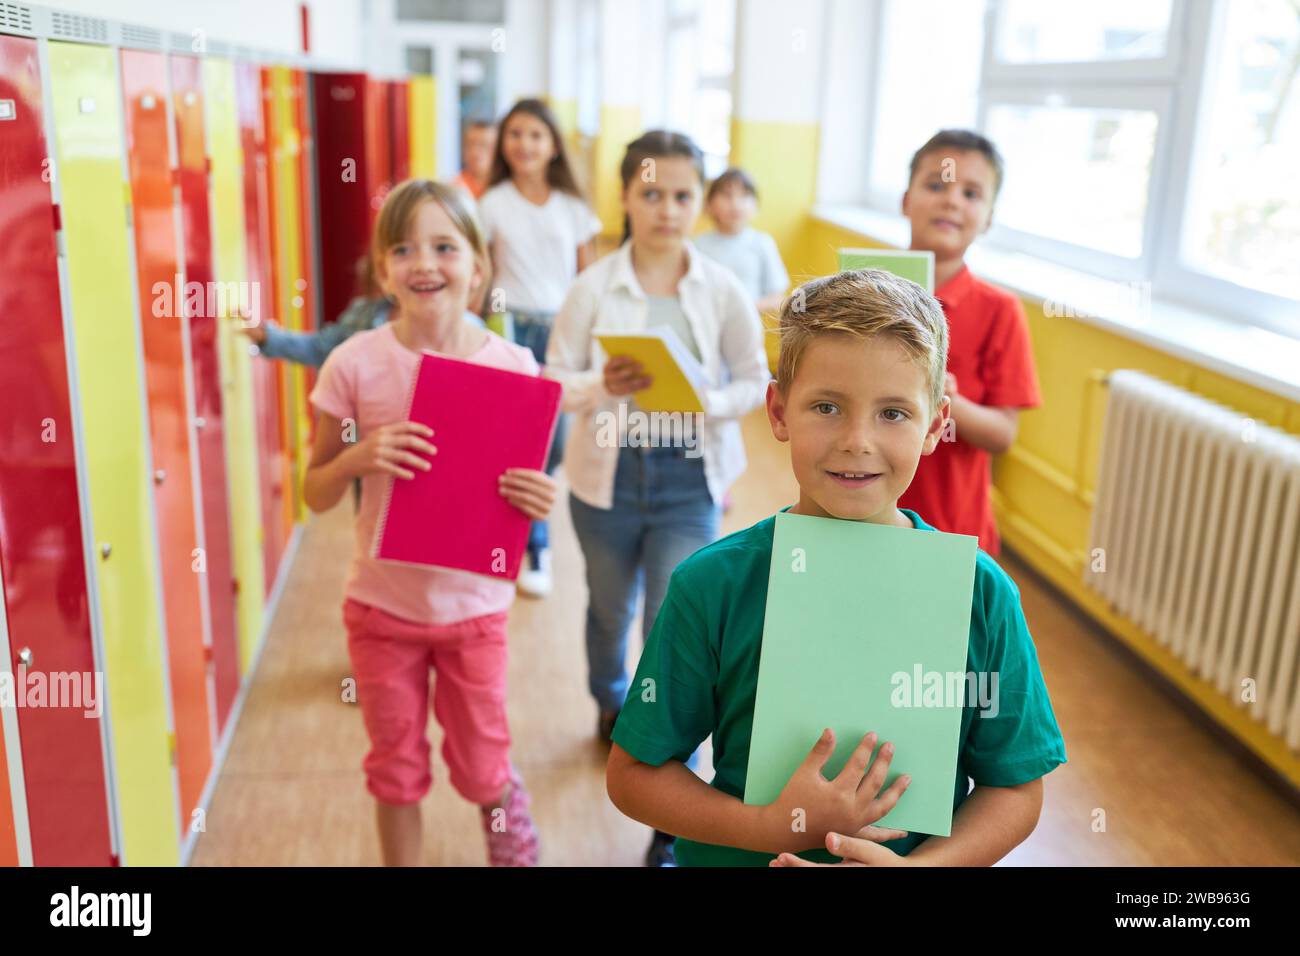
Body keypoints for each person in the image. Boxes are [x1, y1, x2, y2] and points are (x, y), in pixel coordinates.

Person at [605, 268, 1066, 866]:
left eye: (893, 413)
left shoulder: (980, 594)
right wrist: (770, 827)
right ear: (778, 411)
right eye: (826, 406)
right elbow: (634, 773)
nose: (857, 441)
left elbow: (1016, 788)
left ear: (935, 425)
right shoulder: (711, 586)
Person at [303, 179, 558, 867]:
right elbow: (315, 491)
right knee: (395, 767)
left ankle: (512, 842)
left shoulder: (512, 366)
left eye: (445, 246)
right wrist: (359, 456)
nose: (425, 263)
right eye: (404, 247)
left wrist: (539, 500)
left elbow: (522, 496)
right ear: (384, 269)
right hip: (381, 609)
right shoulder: (352, 364)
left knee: (483, 766)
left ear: (477, 267)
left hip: (475, 612)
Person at [545, 130, 769, 865]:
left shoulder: (723, 289)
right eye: (651, 194)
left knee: (672, 627)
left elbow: (753, 381)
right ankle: (612, 702)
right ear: (626, 198)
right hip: (608, 480)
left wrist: (707, 398)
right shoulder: (592, 287)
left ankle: (671, 814)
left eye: (681, 195)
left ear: (699, 201)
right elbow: (551, 383)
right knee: (609, 611)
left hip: (687, 480)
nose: (666, 209)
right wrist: (598, 387)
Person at [896, 129, 1041, 555]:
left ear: (990, 217)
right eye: (936, 185)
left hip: (951, 530)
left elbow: (1002, 434)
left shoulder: (1000, 310)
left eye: (971, 193)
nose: (952, 200)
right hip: (856, 513)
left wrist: (940, 398)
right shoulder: (862, 290)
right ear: (906, 200)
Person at [478, 98, 601, 597]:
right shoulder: (491, 203)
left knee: (550, 448)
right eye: (515, 134)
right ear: (503, 144)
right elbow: (481, 275)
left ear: (553, 146)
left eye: (535, 134)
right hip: (509, 327)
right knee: (512, 446)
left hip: (562, 332)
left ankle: (530, 537)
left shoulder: (574, 208)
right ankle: (532, 548)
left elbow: (590, 278)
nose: (524, 144)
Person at [694, 167, 789, 316]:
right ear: (710, 204)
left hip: (749, 329)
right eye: (727, 195)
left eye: (744, 195)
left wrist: (742, 308)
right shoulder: (698, 246)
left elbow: (777, 298)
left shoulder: (762, 243)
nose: (735, 204)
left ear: (755, 205)